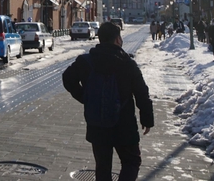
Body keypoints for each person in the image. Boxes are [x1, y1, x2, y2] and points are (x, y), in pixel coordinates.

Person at [63, 22, 155, 181]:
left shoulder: (86, 61)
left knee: (103, 166)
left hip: (97, 123)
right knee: (131, 161)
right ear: (117, 40)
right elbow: (141, 92)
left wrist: (85, 97)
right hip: (124, 124)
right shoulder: (127, 64)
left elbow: (67, 78)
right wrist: (147, 118)